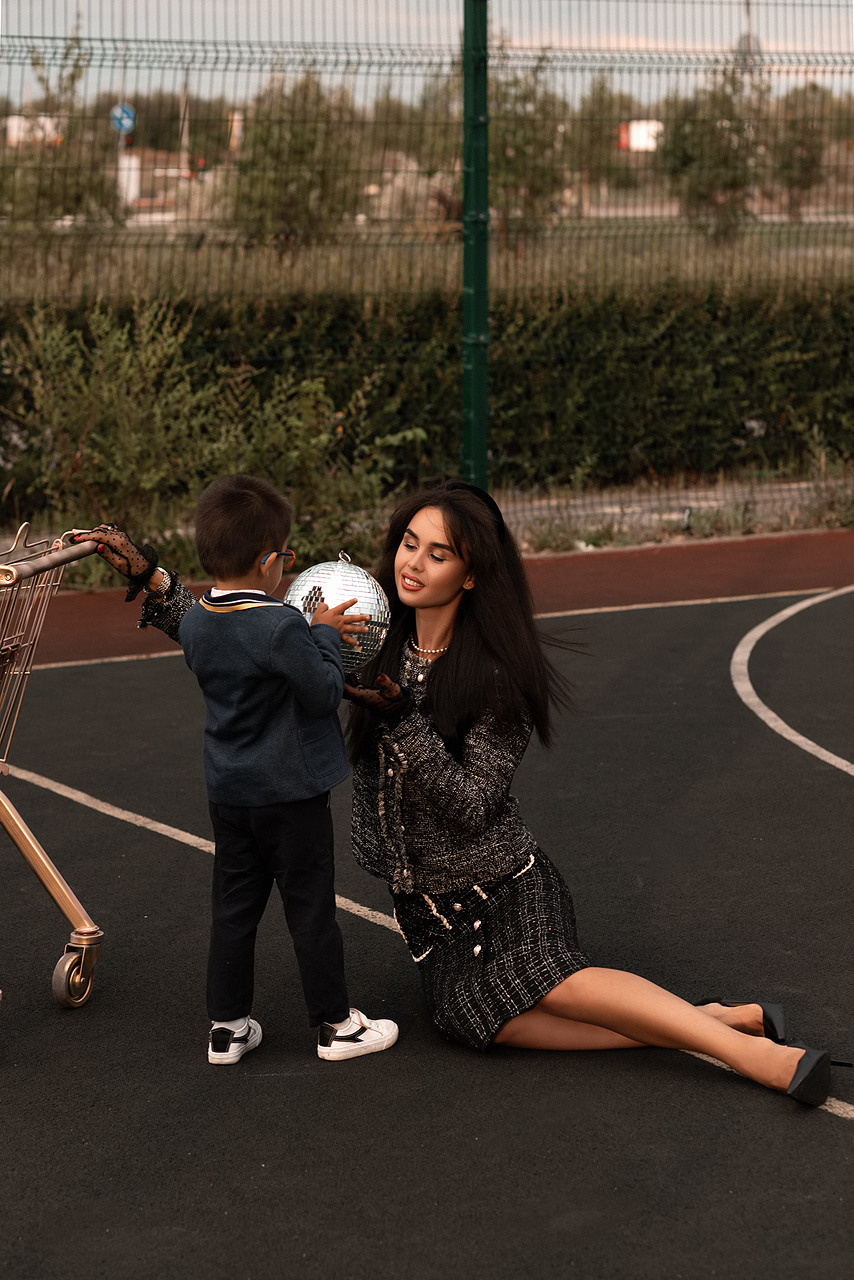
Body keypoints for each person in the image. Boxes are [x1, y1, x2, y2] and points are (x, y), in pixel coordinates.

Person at [78, 481, 831, 1105]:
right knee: (479, 1025)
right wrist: (153, 580)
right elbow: (236, 634)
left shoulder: (493, 676)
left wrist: (400, 717)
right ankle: (716, 1020)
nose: (414, 562)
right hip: (431, 921)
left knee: (552, 982)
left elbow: (473, 805)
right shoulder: (369, 636)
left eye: (439, 554)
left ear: (469, 574)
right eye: (410, 542)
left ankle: (749, 1058)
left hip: (502, 890)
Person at [76, 475, 398, 1065]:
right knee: (310, 910)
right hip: (292, 796)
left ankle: (226, 1028)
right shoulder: (281, 627)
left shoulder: (197, 620)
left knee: (233, 911)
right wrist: (323, 634)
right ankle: (336, 1026)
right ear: (271, 561)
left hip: (231, 794)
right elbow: (324, 692)